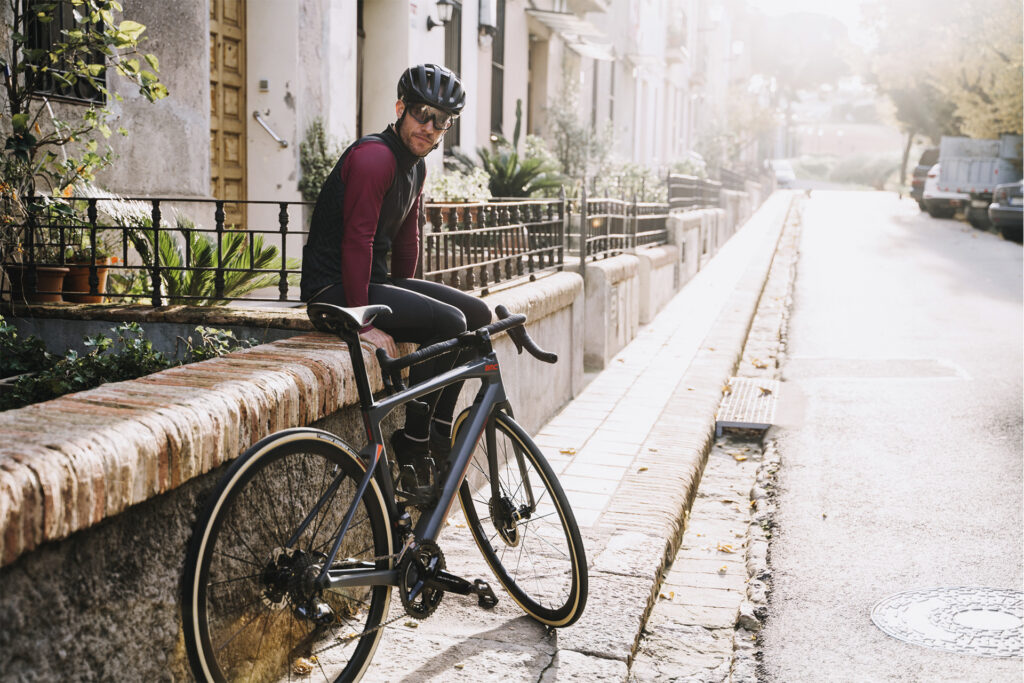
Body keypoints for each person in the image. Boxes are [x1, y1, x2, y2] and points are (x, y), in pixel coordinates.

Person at [301, 63, 491, 490]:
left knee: (476, 314)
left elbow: (407, 244)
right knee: (450, 323)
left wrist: (408, 302)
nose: (430, 126)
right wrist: (361, 320)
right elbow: (357, 240)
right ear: (400, 108)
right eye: (422, 113)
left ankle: (439, 428)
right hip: (333, 289)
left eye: (441, 120)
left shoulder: (416, 166)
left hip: (373, 282)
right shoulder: (375, 158)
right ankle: (415, 437)